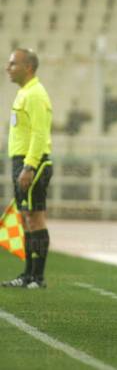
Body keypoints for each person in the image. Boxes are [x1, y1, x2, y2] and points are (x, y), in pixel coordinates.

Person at [2, 49, 53, 289]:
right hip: (21, 161)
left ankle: (38, 277)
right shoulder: (25, 92)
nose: (7, 68)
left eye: (12, 64)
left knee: (36, 218)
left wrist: (29, 166)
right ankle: (28, 274)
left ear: (28, 67)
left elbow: (40, 133)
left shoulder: (35, 94)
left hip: (31, 162)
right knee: (26, 218)